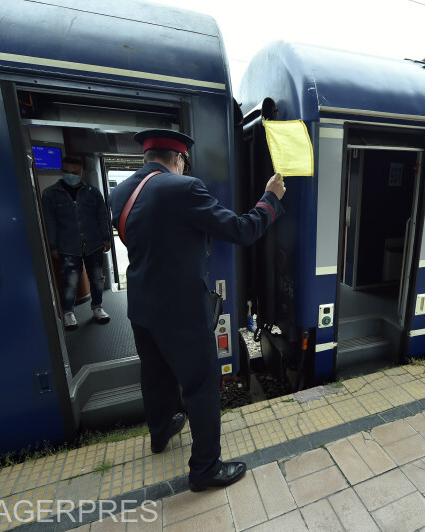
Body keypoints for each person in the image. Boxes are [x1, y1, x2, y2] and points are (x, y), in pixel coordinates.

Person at [109, 129, 285, 492]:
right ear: (178, 159)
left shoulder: (121, 192)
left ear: (147, 157)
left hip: (141, 304)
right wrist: (270, 198)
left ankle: (160, 433)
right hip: (182, 311)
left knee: (155, 375)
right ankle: (205, 469)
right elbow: (241, 230)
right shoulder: (184, 188)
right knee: (202, 385)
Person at [41, 156, 112, 329]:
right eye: (67, 172)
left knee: (97, 279)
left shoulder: (93, 192)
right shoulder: (50, 194)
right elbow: (49, 222)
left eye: (74, 173)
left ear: (82, 173)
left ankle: (97, 308)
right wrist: (53, 246)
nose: (70, 175)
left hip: (93, 243)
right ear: (61, 171)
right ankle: (68, 312)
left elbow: (102, 217)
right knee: (70, 280)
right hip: (67, 245)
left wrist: (106, 238)